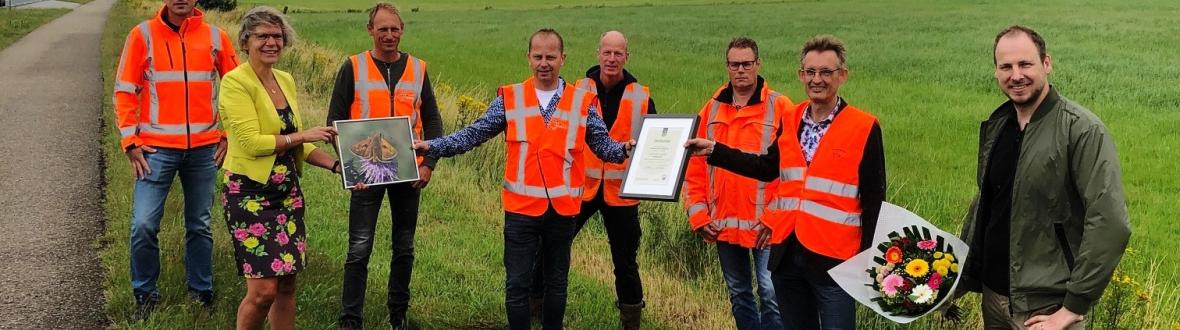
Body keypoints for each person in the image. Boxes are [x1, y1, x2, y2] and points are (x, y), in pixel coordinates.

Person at [413, 28, 633, 330]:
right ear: (529, 58)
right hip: (520, 211)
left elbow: (604, 147)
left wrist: (626, 150)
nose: (545, 63)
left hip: (563, 212)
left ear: (563, 58)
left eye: (551, 57)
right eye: (538, 56)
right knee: (517, 286)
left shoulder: (583, 102)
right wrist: (434, 146)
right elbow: (474, 133)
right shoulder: (511, 98)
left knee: (557, 285)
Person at [685, 35, 886, 329]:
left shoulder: (864, 126)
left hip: (835, 261)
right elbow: (767, 167)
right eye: (811, 72)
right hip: (788, 256)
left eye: (826, 72)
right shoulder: (791, 118)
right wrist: (716, 151)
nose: (818, 79)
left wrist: (867, 262)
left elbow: (874, 200)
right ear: (801, 75)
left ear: (842, 75)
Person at [955, 25, 1130, 330]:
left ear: (1046, 63)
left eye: (1025, 64)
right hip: (994, 300)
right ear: (996, 72)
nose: (1016, 75)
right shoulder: (999, 127)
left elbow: (1110, 221)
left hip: (1047, 310)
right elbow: (986, 206)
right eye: (1005, 67)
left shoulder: (1081, 130)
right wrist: (958, 275)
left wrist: (1072, 308)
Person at [112, 0, 239, 320]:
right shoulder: (142, 35)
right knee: (143, 224)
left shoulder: (215, 37)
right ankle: (145, 295)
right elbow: (125, 91)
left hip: (204, 149)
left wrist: (228, 135)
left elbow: (237, 89)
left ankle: (201, 292)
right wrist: (130, 140)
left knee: (200, 224)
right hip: (155, 149)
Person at [217, 7, 339, 329]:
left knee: (287, 284)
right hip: (249, 195)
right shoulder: (234, 82)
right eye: (262, 36)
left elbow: (296, 144)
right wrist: (303, 133)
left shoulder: (285, 80)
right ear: (246, 42)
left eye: (277, 36)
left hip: (287, 195)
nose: (271, 42)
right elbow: (251, 143)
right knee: (262, 291)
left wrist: (339, 166)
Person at [325, 3, 444, 329]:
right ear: (370, 30)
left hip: (408, 172)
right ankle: (350, 320)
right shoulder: (353, 67)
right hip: (366, 174)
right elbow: (334, 122)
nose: (389, 35)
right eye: (382, 29)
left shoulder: (418, 69)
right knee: (359, 249)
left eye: (394, 29)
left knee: (404, 247)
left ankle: (398, 316)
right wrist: (351, 170)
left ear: (402, 30)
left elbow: (433, 120)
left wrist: (429, 163)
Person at [527, 30, 655, 329]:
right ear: (598, 54)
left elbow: (653, 143)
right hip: (579, 188)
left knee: (625, 260)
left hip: (620, 191)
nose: (612, 59)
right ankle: (535, 305)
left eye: (618, 53)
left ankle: (631, 319)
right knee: (551, 247)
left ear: (627, 56)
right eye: (607, 52)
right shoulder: (578, 90)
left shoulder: (641, 96)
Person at [682, 37, 789, 330]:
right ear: (727, 66)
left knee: (771, 295)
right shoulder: (712, 108)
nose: (741, 70)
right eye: (734, 64)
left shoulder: (780, 107)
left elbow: (791, 172)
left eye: (747, 63)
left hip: (766, 224)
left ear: (758, 64)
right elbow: (694, 167)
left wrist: (774, 218)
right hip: (724, 222)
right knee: (739, 294)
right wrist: (699, 215)